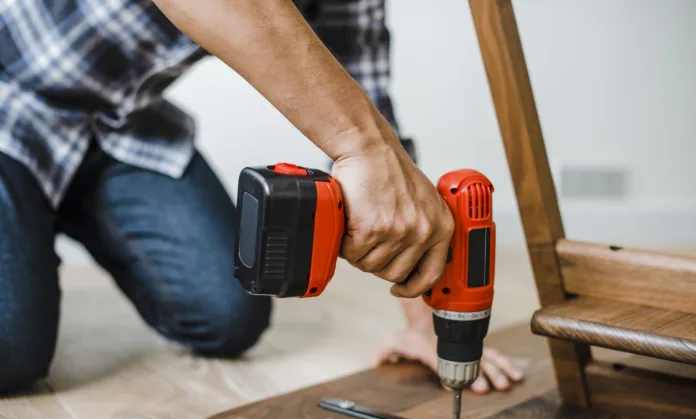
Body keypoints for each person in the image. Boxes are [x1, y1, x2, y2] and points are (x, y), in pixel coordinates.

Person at [0, 0, 522, 394]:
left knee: (227, 318)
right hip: (12, 101)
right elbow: (368, 143)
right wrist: (365, 146)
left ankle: (34, 216)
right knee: (12, 349)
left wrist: (426, 324)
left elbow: (374, 114)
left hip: (122, 128)